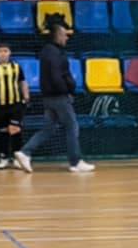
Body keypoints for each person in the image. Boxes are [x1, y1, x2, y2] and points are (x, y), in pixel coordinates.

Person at [15, 17, 93, 173]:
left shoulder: (48, 51)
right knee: (72, 126)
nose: (66, 37)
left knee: (48, 128)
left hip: (49, 98)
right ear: (56, 35)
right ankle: (75, 162)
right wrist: (67, 91)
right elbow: (57, 76)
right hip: (59, 97)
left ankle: (25, 152)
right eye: (64, 34)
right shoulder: (54, 53)